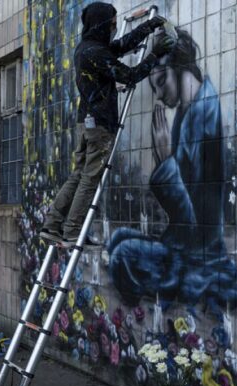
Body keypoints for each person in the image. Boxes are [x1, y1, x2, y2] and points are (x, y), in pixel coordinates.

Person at [107, 28, 237, 319]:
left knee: (121, 256)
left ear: (178, 67)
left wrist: (166, 161)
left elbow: (194, 221)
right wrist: (166, 162)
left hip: (197, 254)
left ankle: (171, 288)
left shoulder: (203, 116)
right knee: (117, 239)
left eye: (160, 82)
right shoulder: (186, 111)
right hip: (182, 242)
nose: (158, 94)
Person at [39, 2, 175, 247]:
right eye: (112, 24)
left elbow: (120, 47)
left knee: (78, 175)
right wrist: (155, 55)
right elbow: (130, 76)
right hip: (99, 124)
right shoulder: (95, 53)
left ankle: (51, 226)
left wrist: (148, 26)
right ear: (101, 24)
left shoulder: (88, 49)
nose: (114, 28)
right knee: (89, 178)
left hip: (86, 123)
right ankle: (72, 232)